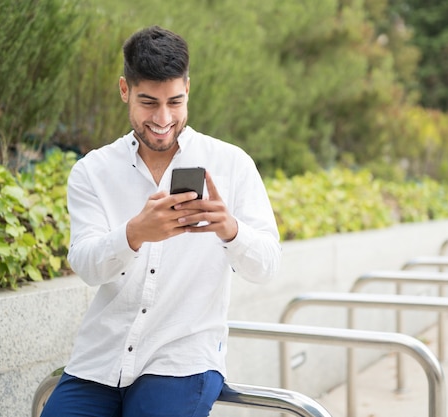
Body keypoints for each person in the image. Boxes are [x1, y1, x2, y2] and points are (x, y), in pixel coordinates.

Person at [40, 25, 281, 417]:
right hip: (100, 359)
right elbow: (85, 265)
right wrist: (133, 235)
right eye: (148, 102)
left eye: (175, 101)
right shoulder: (92, 171)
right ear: (124, 90)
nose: (163, 118)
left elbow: (268, 265)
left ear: (188, 88)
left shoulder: (232, 164)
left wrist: (230, 230)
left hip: (182, 360)